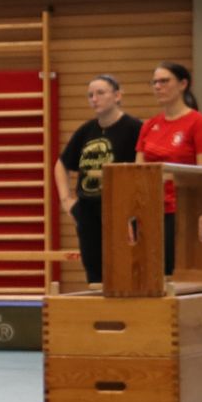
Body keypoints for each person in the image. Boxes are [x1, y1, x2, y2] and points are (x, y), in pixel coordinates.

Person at [53, 74, 140, 286]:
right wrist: (66, 200)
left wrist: (132, 213)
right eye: (90, 95)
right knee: (94, 271)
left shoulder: (134, 128)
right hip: (87, 209)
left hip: (119, 209)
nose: (94, 99)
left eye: (100, 93)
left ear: (117, 96)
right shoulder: (86, 130)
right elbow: (61, 164)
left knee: (125, 270)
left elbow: (141, 172)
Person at [138, 61, 202, 277]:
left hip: (182, 211)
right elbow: (137, 174)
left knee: (177, 275)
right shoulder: (149, 126)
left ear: (183, 84)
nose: (158, 86)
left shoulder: (199, 124)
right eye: (154, 82)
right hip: (151, 211)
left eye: (164, 81)